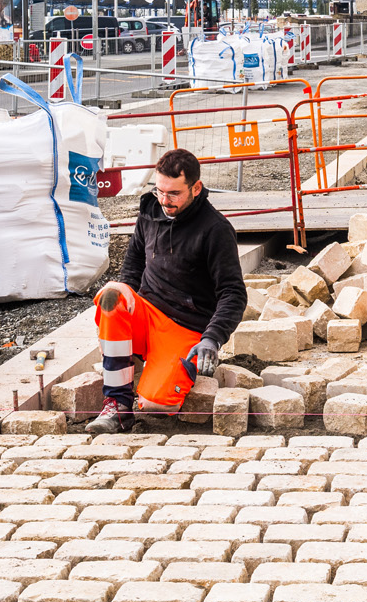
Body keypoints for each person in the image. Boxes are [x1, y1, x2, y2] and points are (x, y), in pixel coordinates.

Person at [85, 148, 247, 434]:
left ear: (196, 188)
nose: (164, 200)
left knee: (157, 404)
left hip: (185, 326)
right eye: (159, 190)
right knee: (112, 294)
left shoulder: (215, 229)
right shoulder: (150, 211)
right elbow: (133, 266)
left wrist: (212, 339)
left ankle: (153, 375)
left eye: (174, 193)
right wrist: (120, 312)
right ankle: (118, 405)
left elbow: (233, 293)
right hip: (147, 314)